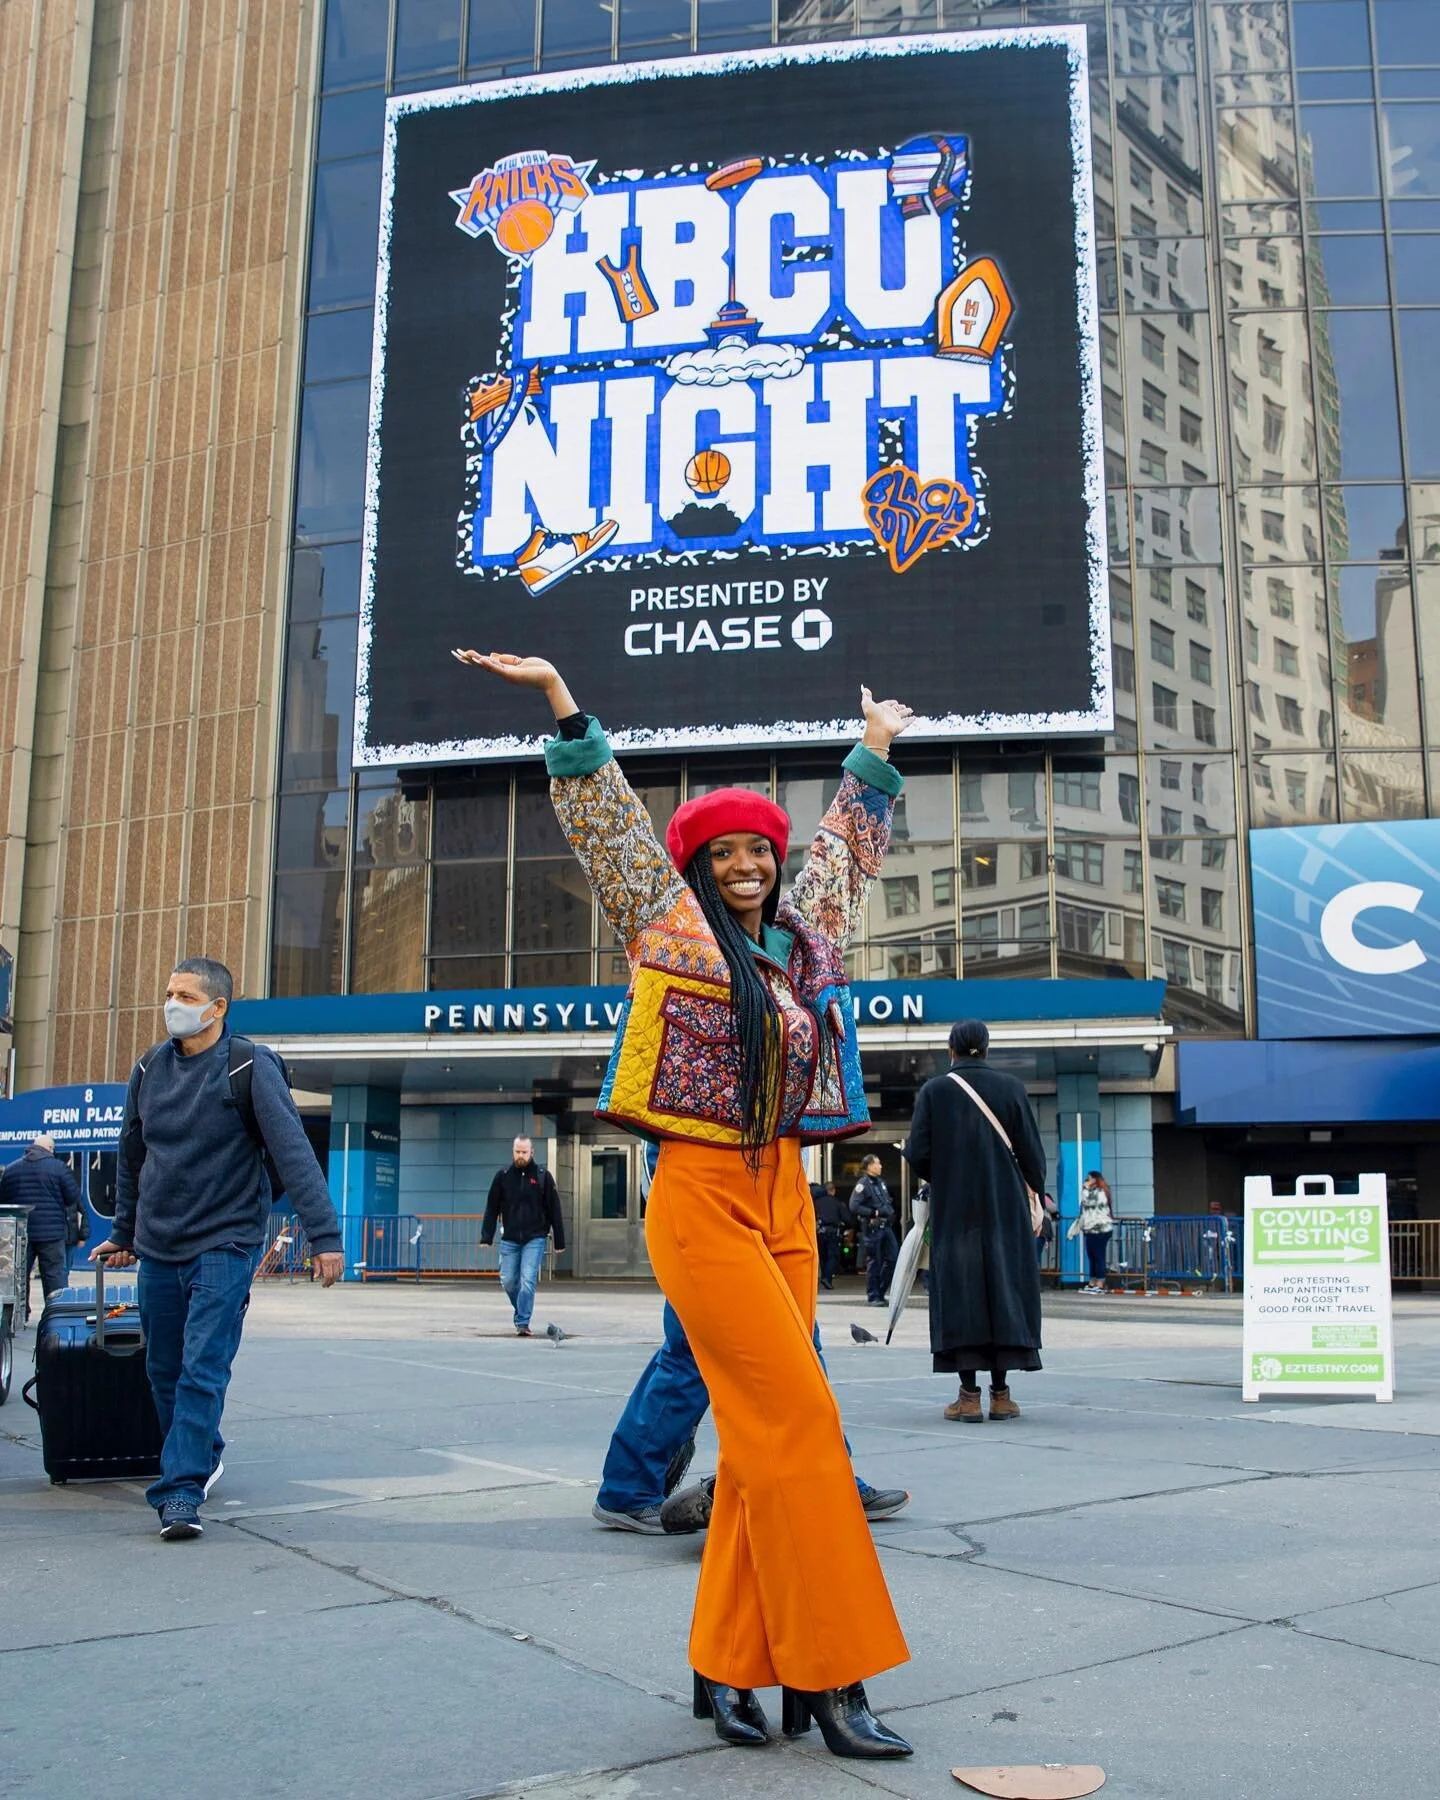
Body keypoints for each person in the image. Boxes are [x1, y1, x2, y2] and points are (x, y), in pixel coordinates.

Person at [460, 647, 912, 1760]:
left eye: (760, 849)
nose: (748, 866)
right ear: (698, 866)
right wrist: (563, 703)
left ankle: (722, 1662)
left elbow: (846, 850)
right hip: (701, 1194)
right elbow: (609, 825)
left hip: (788, 1198)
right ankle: (831, 1673)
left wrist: (875, 750)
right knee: (802, 1425)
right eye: (726, 853)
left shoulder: (805, 939)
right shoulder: (665, 926)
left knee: (761, 1442)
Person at [90, 958, 344, 1541]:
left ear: (218, 1007)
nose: (171, 1004)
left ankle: (180, 1490)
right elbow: (132, 1157)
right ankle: (202, 1452)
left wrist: (324, 1237)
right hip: (160, 1244)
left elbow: (293, 1152)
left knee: (202, 1366)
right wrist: (125, 1233)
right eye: (169, 992)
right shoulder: (149, 1068)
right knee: (163, 1369)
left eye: (185, 995)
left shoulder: (249, 1065)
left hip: (225, 1241)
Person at [593, 1299, 910, 1533]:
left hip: (776, 1231)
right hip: (720, 1232)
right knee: (696, 1346)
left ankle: (827, 1480)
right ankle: (629, 1487)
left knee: (800, 1346)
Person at [905, 1019, 1046, 1424]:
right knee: (1004, 1288)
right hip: (1005, 1208)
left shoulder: (935, 1091)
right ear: (986, 1049)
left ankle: (967, 1398)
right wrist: (1034, 1192)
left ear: (950, 1050)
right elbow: (1032, 1155)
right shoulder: (1012, 1088)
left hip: (956, 1208)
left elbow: (918, 1152)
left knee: (962, 1291)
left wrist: (947, 1173)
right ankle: (1001, 1395)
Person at [481, 1135, 565, 1336]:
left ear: (531, 1152)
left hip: (535, 1238)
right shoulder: (503, 1176)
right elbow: (492, 1207)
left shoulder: (543, 1177)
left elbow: (555, 1209)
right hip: (510, 1238)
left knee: (527, 1281)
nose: (520, 1155)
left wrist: (559, 1241)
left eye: (524, 1152)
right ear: (513, 1152)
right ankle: (521, 1311)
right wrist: (486, 1236)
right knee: (508, 1281)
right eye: (517, 1151)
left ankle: (522, 1322)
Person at [0, 1134, 83, 1320]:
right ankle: (57, 1316)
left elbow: (3, 1199)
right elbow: (73, 1197)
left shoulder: (11, 1169)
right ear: (50, 1149)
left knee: (19, 1277)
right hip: (51, 1234)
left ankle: (17, 1317)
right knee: (54, 1277)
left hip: (21, 1233)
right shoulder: (59, 1168)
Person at [850, 1154, 898, 1307]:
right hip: (873, 1228)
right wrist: (873, 1212)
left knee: (893, 1259)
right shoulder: (863, 1184)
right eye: (878, 1163)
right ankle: (873, 1296)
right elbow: (854, 1206)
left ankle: (881, 1291)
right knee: (874, 1262)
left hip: (886, 1226)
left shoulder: (881, 1183)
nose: (880, 1166)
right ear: (869, 1166)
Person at [1071, 1171, 1116, 1292]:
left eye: (1089, 1178)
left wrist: (1085, 1189)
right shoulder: (1091, 1192)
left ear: (1095, 1180)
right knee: (1091, 1255)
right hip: (1091, 1229)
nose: (1087, 1180)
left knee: (1098, 1255)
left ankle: (1100, 1282)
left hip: (1101, 1229)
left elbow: (1089, 1202)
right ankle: (1092, 1281)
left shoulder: (1101, 1192)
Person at [811, 1179, 843, 1290]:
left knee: (822, 1256)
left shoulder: (816, 1202)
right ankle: (827, 1278)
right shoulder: (836, 1202)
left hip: (819, 1231)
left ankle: (823, 1276)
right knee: (832, 1256)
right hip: (832, 1232)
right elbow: (846, 1217)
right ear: (833, 1190)